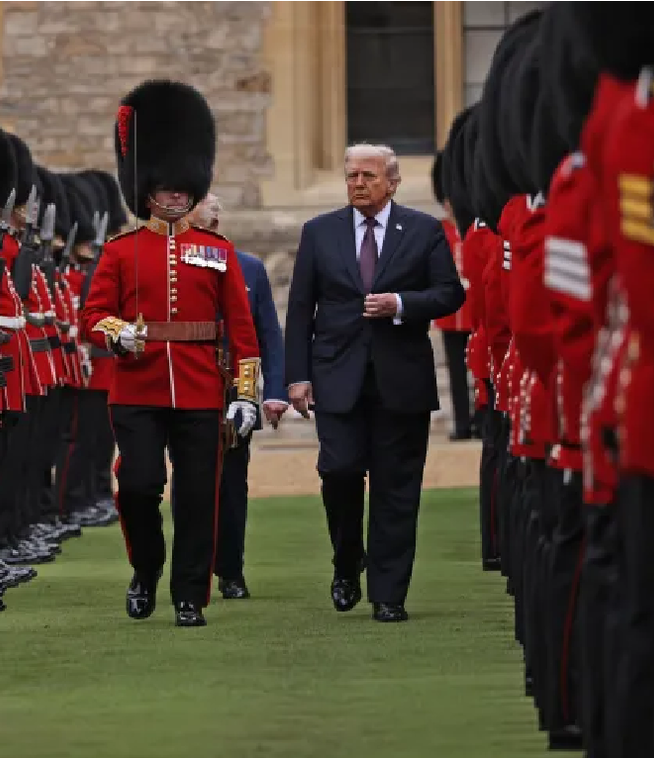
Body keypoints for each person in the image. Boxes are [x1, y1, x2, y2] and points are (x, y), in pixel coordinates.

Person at [80, 79, 261, 628]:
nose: (177, 195)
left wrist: (245, 395)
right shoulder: (120, 251)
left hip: (202, 387)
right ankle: (146, 567)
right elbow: (93, 315)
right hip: (138, 386)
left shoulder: (218, 250)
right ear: (146, 190)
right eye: (166, 187)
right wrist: (118, 333)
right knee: (138, 485)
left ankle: (189, 595)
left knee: (199, 497)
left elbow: (241, 330)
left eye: (184, 187)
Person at [284, 143, 465, 623]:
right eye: (351, 176)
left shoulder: (423, 230)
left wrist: (401, 304)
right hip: (336, 375)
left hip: (400, 378)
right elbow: (301, 309)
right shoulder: (319, 232)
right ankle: (347, 560)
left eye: (368, 175)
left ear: (393, 182)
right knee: (339, 471)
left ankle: (389, 593)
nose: (358, 183)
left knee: (396, 487)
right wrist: (296, 377)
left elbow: (450, 293)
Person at [185, 192, 288, 600]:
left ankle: (230, 569)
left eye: (216, 212)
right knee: (191, 483)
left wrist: (273, 391)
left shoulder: (248, 267)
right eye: (205, 208)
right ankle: (193, 571)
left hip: (233, 387)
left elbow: (268, 335)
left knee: (232, 484)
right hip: (186, 385)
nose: (215, 215)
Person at [430, 152, 475, 440]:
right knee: (457, 372)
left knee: (482, 369)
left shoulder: (473, 229)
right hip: (450, 313)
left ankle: (483, 418)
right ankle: (462, 423)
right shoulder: (439, 231)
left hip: (474, 310)